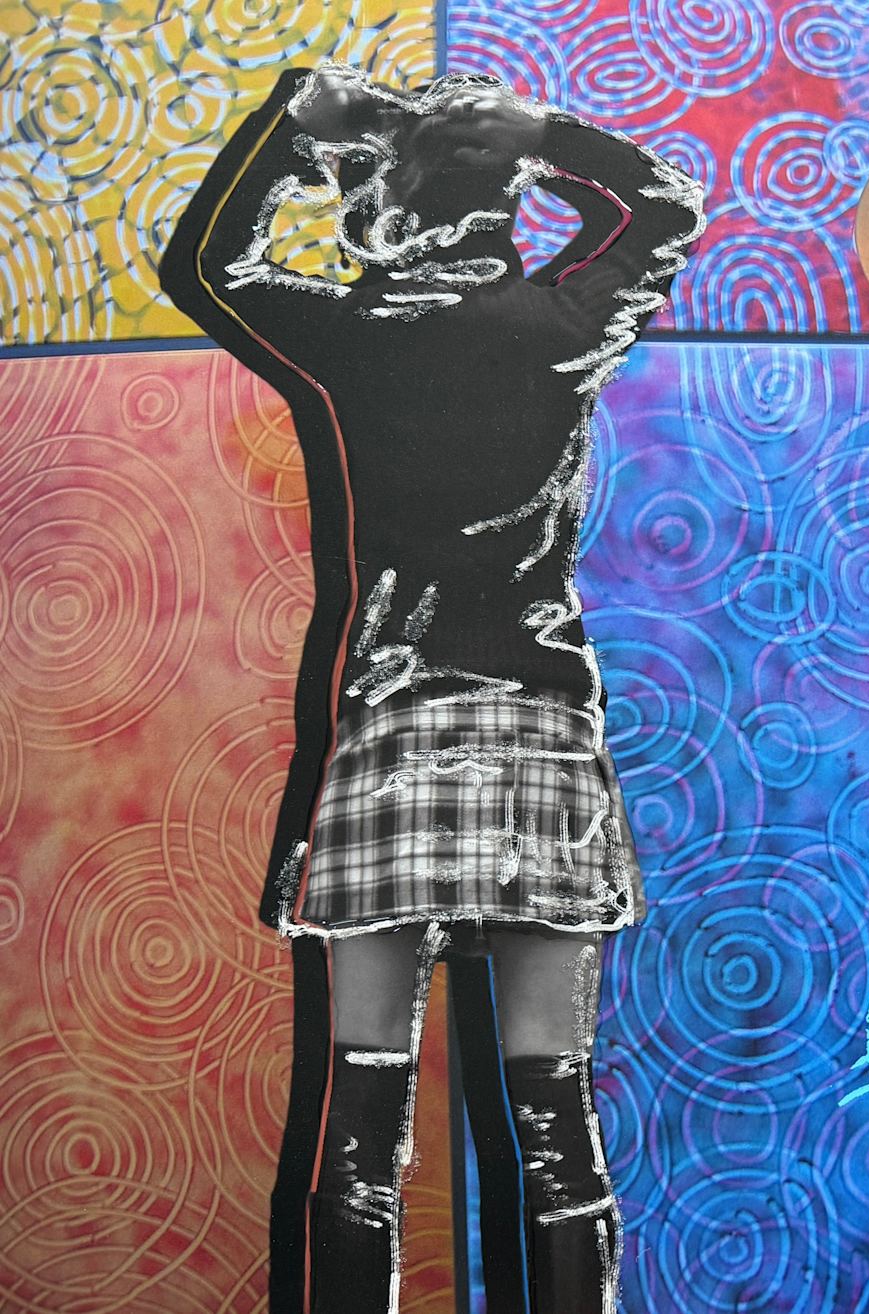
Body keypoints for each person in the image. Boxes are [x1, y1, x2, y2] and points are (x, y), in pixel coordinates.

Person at [160, 62, 704, 1312]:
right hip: (541, 731)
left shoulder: (351, 338)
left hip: (397, 729)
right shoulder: (565, 325)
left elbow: (209, 266)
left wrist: (294, 122)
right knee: (554, 1116)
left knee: (362, 1120)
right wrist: (546, 130)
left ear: (390, 209)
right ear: (506, 200)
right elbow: (664, 205)